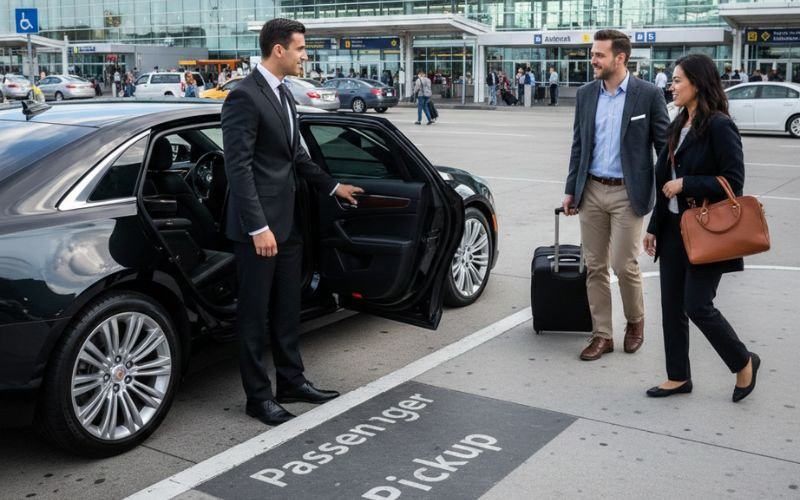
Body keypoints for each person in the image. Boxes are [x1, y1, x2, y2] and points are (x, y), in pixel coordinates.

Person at [221, 18, 364, 426]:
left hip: (288, 226)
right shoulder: (244, 97)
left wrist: (333, 186)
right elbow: (239, 169)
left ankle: (291, 381)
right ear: (279, 50)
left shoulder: (284, 95)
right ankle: (258, 397)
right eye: (301, 49)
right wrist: (257, 227)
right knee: (254, 315)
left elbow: (294, 157)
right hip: (259, 230)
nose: (306, 56)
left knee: (287, 308)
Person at [643, 53, 760, 402]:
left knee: (697, 305)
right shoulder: (676, 126)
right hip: (672, 228)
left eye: (678, 80)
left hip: (708, 230)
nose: (672, 85)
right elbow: (664, 180)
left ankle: (743, 361)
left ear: (698, 83)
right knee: (671, 307)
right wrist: (653, 227)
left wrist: (688, 184)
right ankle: (678, 376)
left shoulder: (720, 125)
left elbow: (733, 182)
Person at [562, 29, 670, 361]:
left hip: (628, 193)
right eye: (593, 54)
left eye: (598, 55)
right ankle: (602, 335)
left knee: (624, 265)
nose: (592, 60)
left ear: (620, 58)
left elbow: (664, 148)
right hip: (591, 190)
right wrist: (571, 189)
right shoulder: (585, 94)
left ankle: (635, 323)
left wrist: (667, 194)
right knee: (594, 266)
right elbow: (579, 145)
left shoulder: (648, 95)